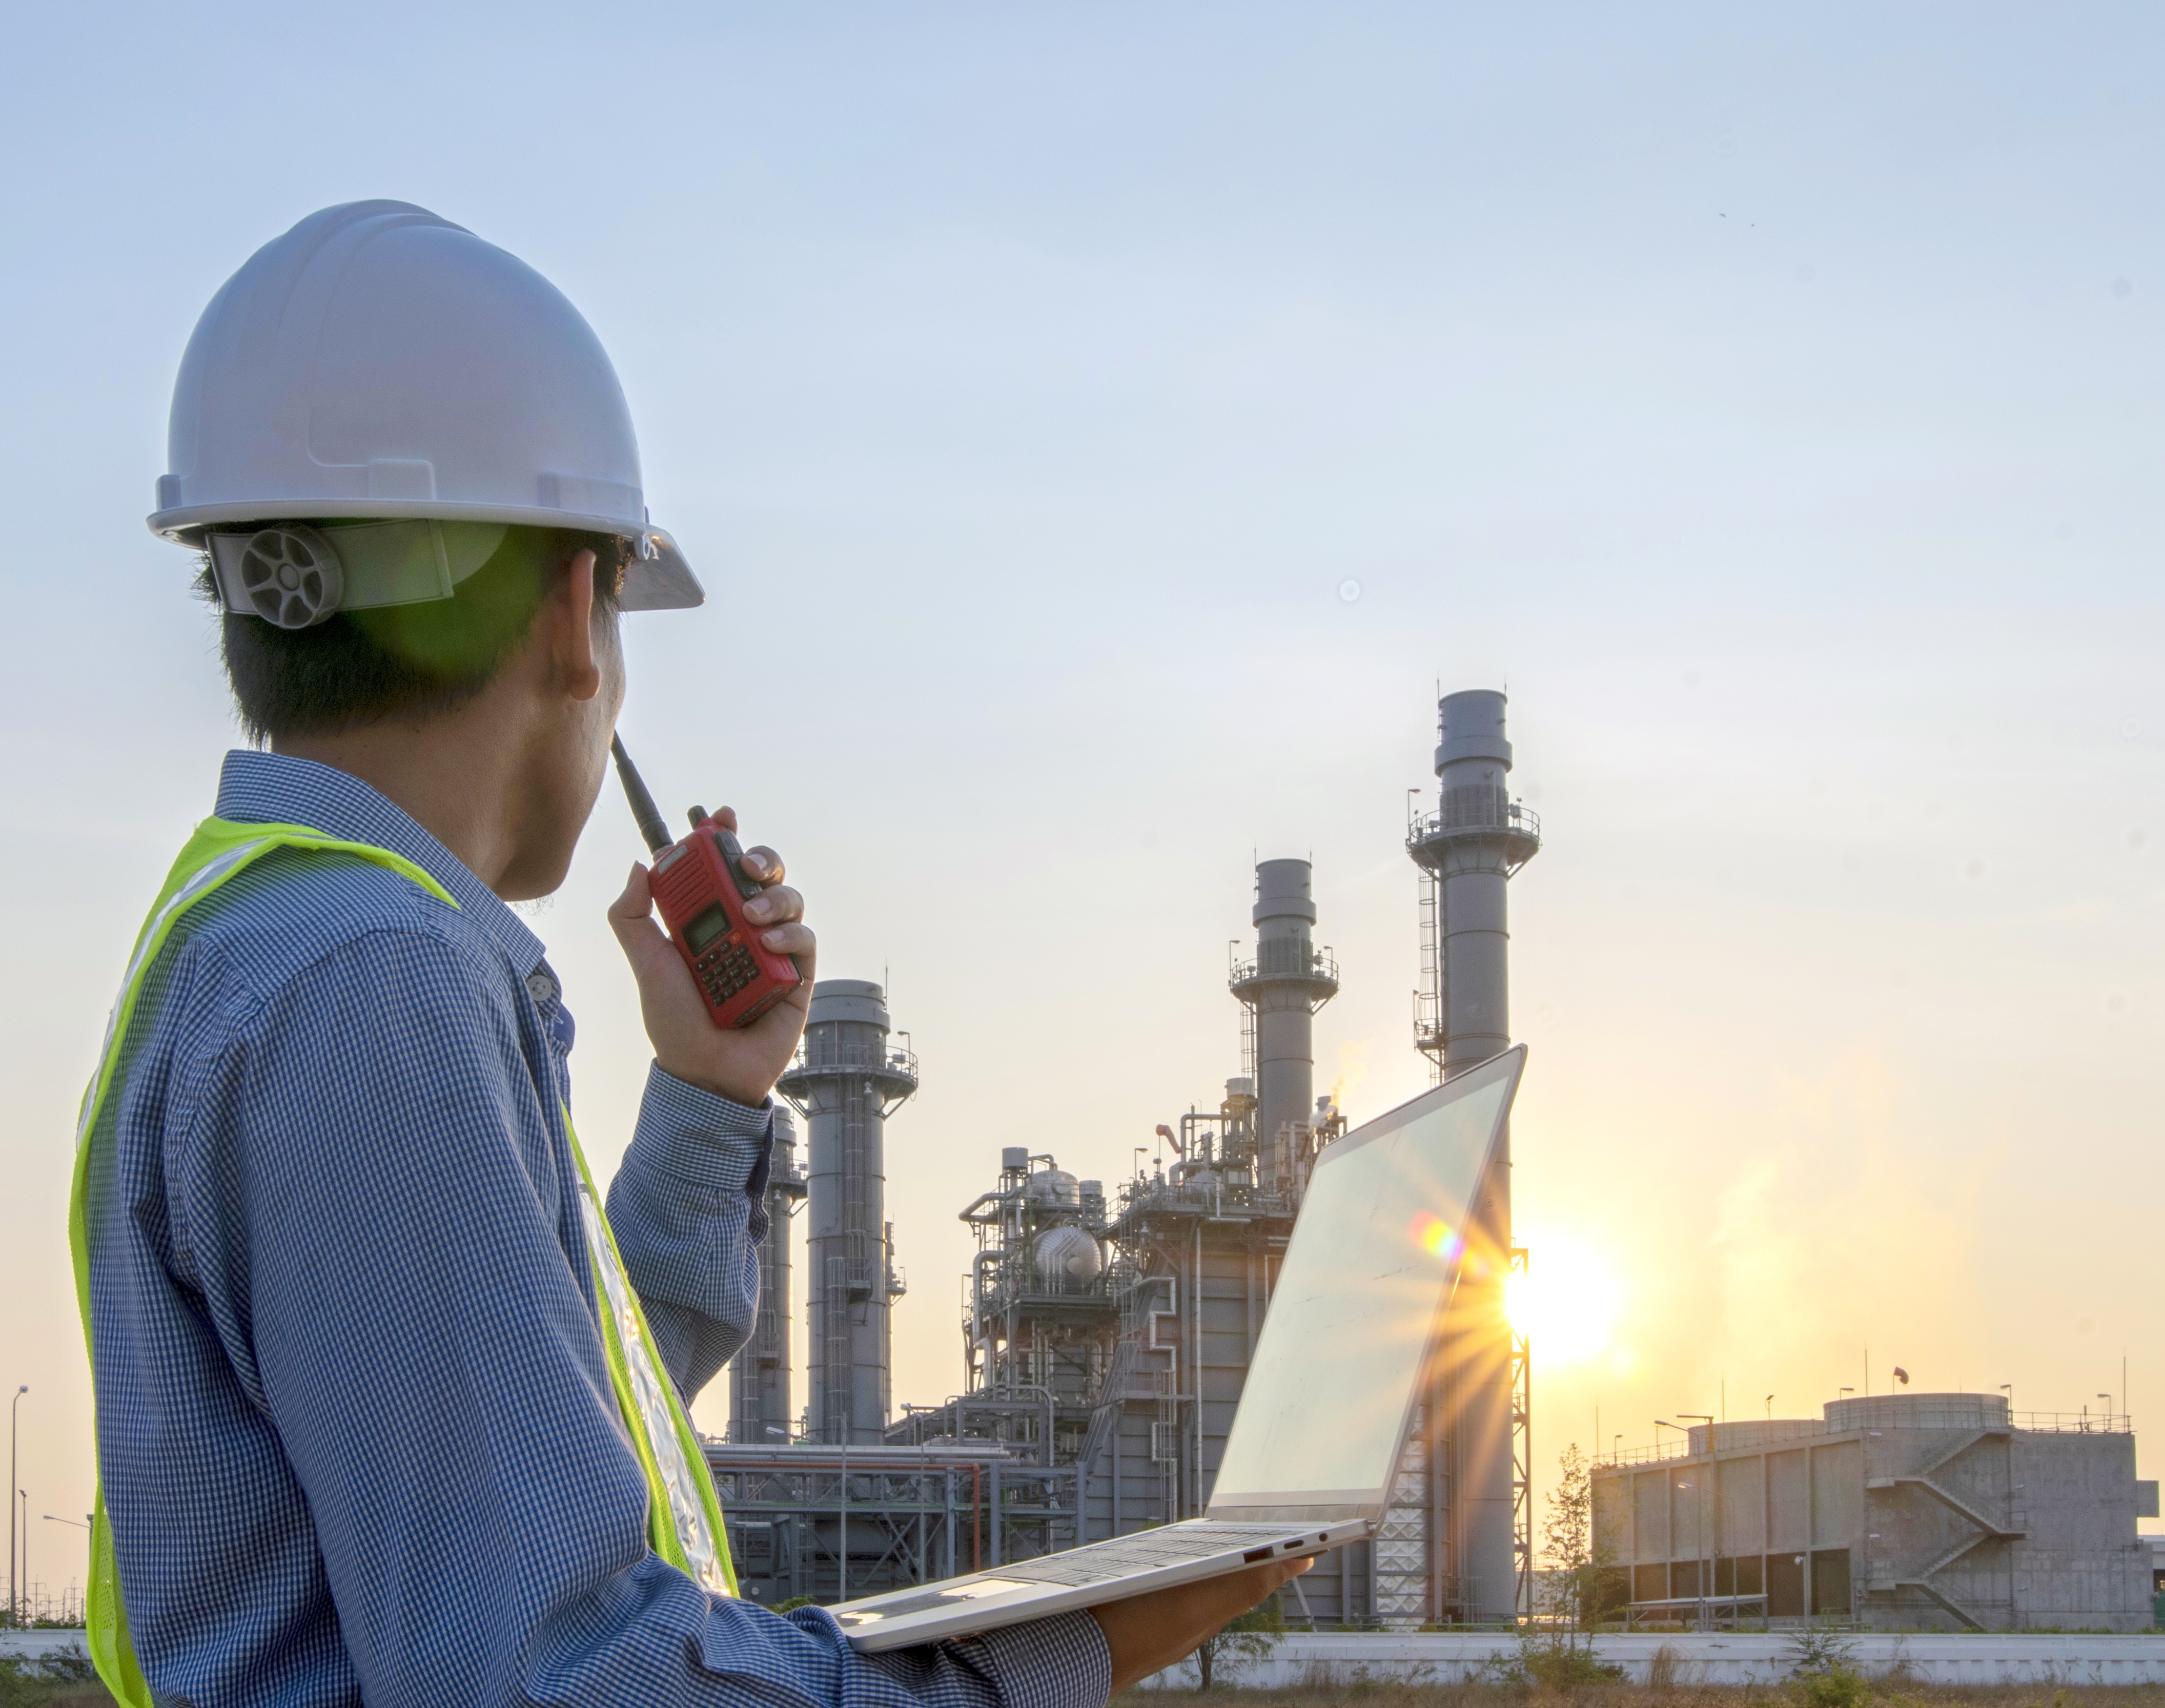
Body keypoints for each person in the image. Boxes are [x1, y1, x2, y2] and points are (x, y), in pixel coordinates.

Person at [69, 200, 1301, 1708]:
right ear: (581, 617)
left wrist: (711, 1098)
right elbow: (551, 1674)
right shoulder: (372, 984)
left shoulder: (271, 937)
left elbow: (519, 1434)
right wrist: (1056, 1657)